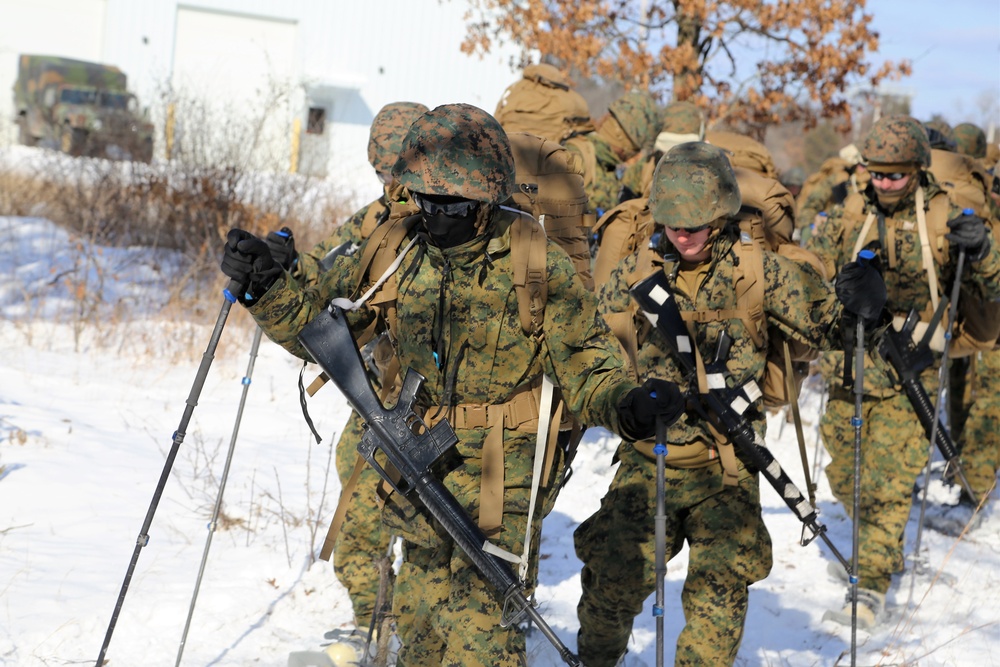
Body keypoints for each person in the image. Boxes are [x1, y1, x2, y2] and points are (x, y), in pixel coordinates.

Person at [220, 103, 684, 667]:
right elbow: (323, 337)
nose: (437, 217)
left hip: (503, 474)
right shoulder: (396, 248)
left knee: (482, 643)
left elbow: (585, 362)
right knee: (420, 639)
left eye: (454, 206)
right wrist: (267, 290)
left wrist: (626, 404)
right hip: (416, 463)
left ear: (488, 199)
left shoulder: (533, 260)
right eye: (425, 200)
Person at [575, 142, 886, 666]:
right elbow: (586, 358)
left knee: (718, 607)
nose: (682, 234)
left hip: (729, 465)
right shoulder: (633, 277)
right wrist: (625, 403)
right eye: (673, 222)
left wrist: (866, 308)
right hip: (649, 460)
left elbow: (832, 326)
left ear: (721, 214)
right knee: (612, 590)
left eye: (695, 223)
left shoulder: (759, 272)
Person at [804, 115, 1000, 628]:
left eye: (896, 175)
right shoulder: (849, 211)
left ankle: (868, 587)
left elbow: (991, 287)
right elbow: (808, 270)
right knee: (845, 476)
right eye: (877, 173)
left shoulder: (944, 216)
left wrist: (981, 249)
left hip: (909, 363)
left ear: (917, 168)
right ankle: (878, 549)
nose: (885, 184)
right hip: (848, 365)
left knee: (887, 485)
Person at [272, 101, 428, 664]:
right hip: (377, 402)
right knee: (359, 531)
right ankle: (372, 625)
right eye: (385, 174)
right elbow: (321, 275)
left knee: (433, 541)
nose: (395, 185)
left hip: (448, 414)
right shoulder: (373, 221)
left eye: (402, 173)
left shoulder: (464, 224)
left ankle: (416, 636)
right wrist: (279, 271)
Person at [563, 90, 660, 217]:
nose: (633, 155)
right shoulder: (577, 157)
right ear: (624, 139)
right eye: (634, 149)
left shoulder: (606, 165)